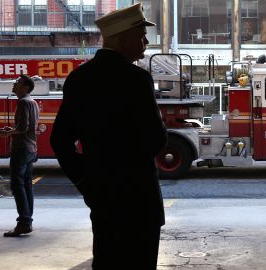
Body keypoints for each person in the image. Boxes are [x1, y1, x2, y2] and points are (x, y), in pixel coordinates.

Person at [50, 3, 167, 269]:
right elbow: (156, 140)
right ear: (124, 39)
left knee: (106, 260)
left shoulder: (79, 78)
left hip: (102, 197)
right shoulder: (137, 79)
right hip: (139, 200)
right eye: (141, 35)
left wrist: (85, 181)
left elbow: (60, 140)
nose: (146, 41)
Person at [0, 74, 39, 237]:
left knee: (17, 184)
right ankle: (27, 220)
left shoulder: (22, 102)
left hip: (21, 149)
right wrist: (11, 130)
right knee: (27, 184)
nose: (14, 84)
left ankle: (23, 222)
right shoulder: (33, 102)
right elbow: (28, 127)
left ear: (26, 87)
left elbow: (24, 128)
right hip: (30, 149)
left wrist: (9, 134)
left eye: (17, 82)